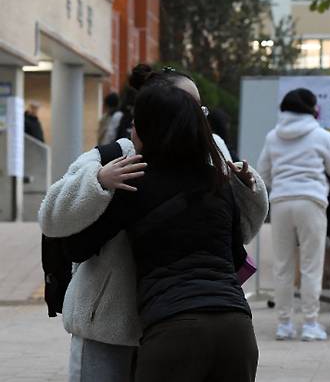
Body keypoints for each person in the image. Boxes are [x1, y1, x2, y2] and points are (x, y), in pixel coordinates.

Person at [38, 65, 268, 382]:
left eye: (199, 108)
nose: (195, 115)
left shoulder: (210, 158)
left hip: (171, 324)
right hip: (125, 328)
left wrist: (248, 186)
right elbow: (53, 220)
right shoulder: (116, 160)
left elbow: (241, 231)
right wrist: (98, 181)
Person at [257, 88, 330, 341]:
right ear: (312, 109)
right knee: (311, 264)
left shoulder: (273, 136)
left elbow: (263, 173)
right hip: (312, 200)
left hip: (282, 202)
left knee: (282, 265)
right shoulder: (322, 135)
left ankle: (284, 324)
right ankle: (310, 323)